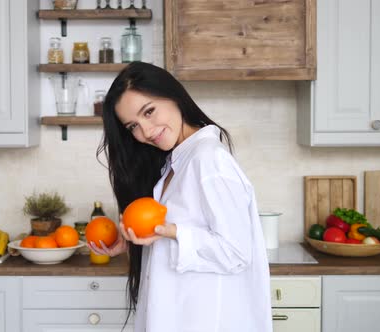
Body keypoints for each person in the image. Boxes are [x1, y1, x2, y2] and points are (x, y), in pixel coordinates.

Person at [90, 62, 272, 332]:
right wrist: (134, 242)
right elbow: (185, 234)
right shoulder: (175, 163)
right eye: (133, 127)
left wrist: (173, 231)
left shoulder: (209, 160)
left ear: (173, 94)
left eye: (149, 112)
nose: (146, 132)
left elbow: (235, 252)